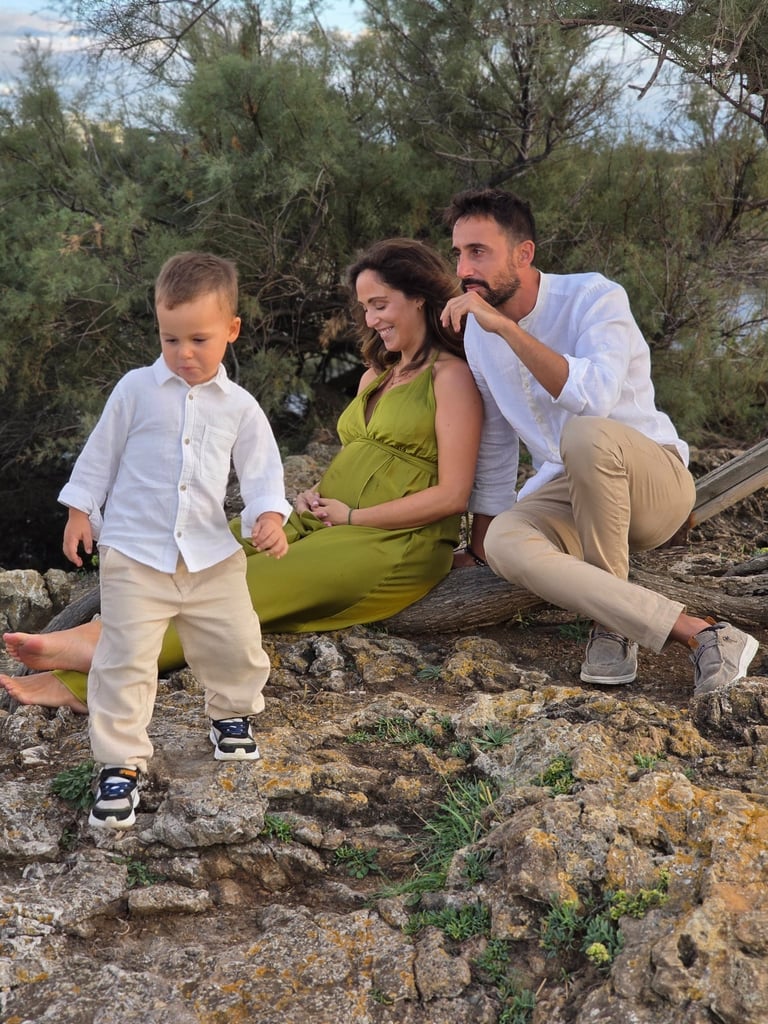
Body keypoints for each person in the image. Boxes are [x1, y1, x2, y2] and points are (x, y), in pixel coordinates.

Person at [1, 238, 482, 716]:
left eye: (381, 305)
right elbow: (361, 455)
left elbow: (452, 495)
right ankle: (106, 633)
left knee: (239, 584)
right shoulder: (375, 375)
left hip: (393, 542)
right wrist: (321, 493)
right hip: (325, 516)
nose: (372, 319)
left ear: (419, 296)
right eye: (365, 308)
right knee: (210, 544)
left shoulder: (449, 377)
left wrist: (355, 513)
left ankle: (88, 663)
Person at [442, 187, 759, 695]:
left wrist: (507, 329)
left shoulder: (594, 296)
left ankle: (612, 628)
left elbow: (595, 396)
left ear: (524, 254)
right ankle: (700, 632)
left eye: (478, 251)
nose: (463, 268)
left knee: (585, 433)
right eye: (458, 253)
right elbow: (497, 443)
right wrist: (479, 546)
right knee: (505, 539)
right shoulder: (478, 335)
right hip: (568, 489)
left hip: (652, 484)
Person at [55, 251, 292, 829]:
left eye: (198, 339)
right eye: (170, 339)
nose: (184, 353)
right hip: (135, 554)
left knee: (236, 641)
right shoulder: (136, 390)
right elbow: (101, 453)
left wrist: (269, 516)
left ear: (231, 332)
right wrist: (80, 509)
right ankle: (118, 763)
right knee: (124, 659)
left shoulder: (241, 407)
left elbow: (262, 470)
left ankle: (232, 714)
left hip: (211, 556)